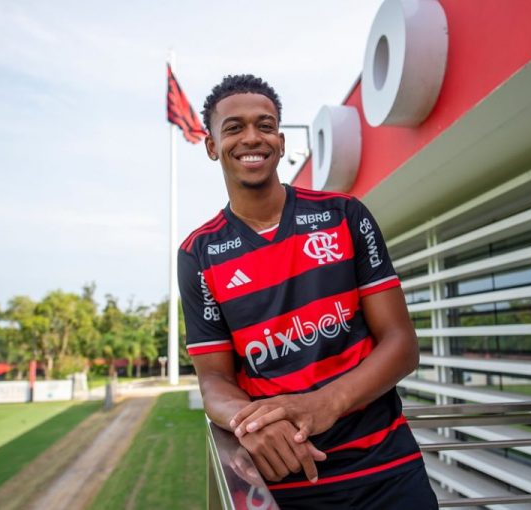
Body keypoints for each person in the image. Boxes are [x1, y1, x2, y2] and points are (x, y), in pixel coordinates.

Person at [177, 74, 438, 509]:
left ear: (280, 142)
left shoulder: (345, 215)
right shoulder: (198, 253)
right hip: (284, 483)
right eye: (234, 128)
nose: (251, 137)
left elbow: (401, 344)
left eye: (265, 125)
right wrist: (248, 422)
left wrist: (322, 405)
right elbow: (214, 379)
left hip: (387, 471)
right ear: (211, 146)